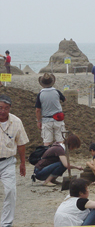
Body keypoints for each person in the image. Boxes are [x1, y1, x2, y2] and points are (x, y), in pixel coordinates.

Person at [0, 95, 29, 227]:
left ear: (10, 108)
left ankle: (6, 223)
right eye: (0, 108)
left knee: (10, 191)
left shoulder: (16, 122)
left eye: (6, 108)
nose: (3, 111)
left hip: (8, 161)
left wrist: (22, 163)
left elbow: (21, 144)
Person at [36, 73, 66, 146]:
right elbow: (64, 99)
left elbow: (38, 110)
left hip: (46, 119)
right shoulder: (56, 92)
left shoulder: (40, 94)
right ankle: (62, 155)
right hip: (58, 118)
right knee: (61, 140)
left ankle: (47, 156)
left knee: (46, 142)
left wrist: (38, 121)